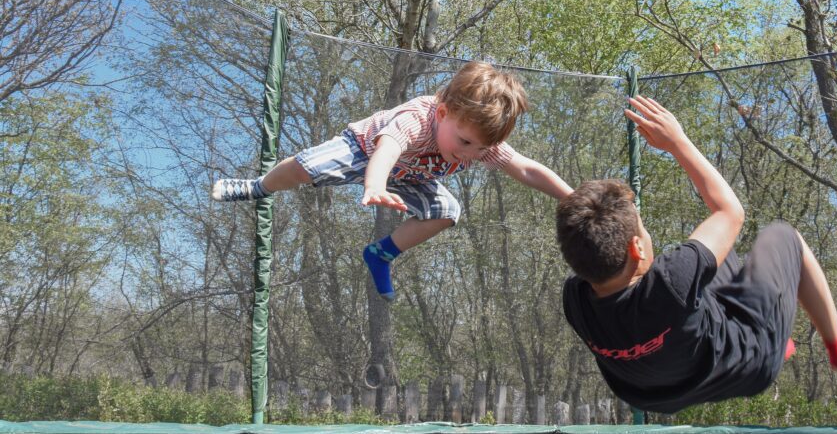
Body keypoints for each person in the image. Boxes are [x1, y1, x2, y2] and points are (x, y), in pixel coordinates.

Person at [557, 95, 837, 413]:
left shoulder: (575, 299)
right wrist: (677, 142)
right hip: (750, 367)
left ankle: (765, 322)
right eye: (643, 228)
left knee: (720, 256)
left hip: (649, 395)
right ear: (636, 248)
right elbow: (730, 211)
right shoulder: (672, 281)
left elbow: (585, 236)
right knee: (784, 237)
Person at [213, 61, 573, 301]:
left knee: (448, 210)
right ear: (444, 113)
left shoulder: (477, 143)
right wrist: (375, 185)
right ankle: (258, 186)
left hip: (411, 176)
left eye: (480, 150)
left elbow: (525, 168)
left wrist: (571, 197)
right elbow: (388, 147)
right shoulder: (417, 119)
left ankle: (380, 253)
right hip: (364, 152)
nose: (468, 155)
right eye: (464, 143)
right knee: (307, 167)